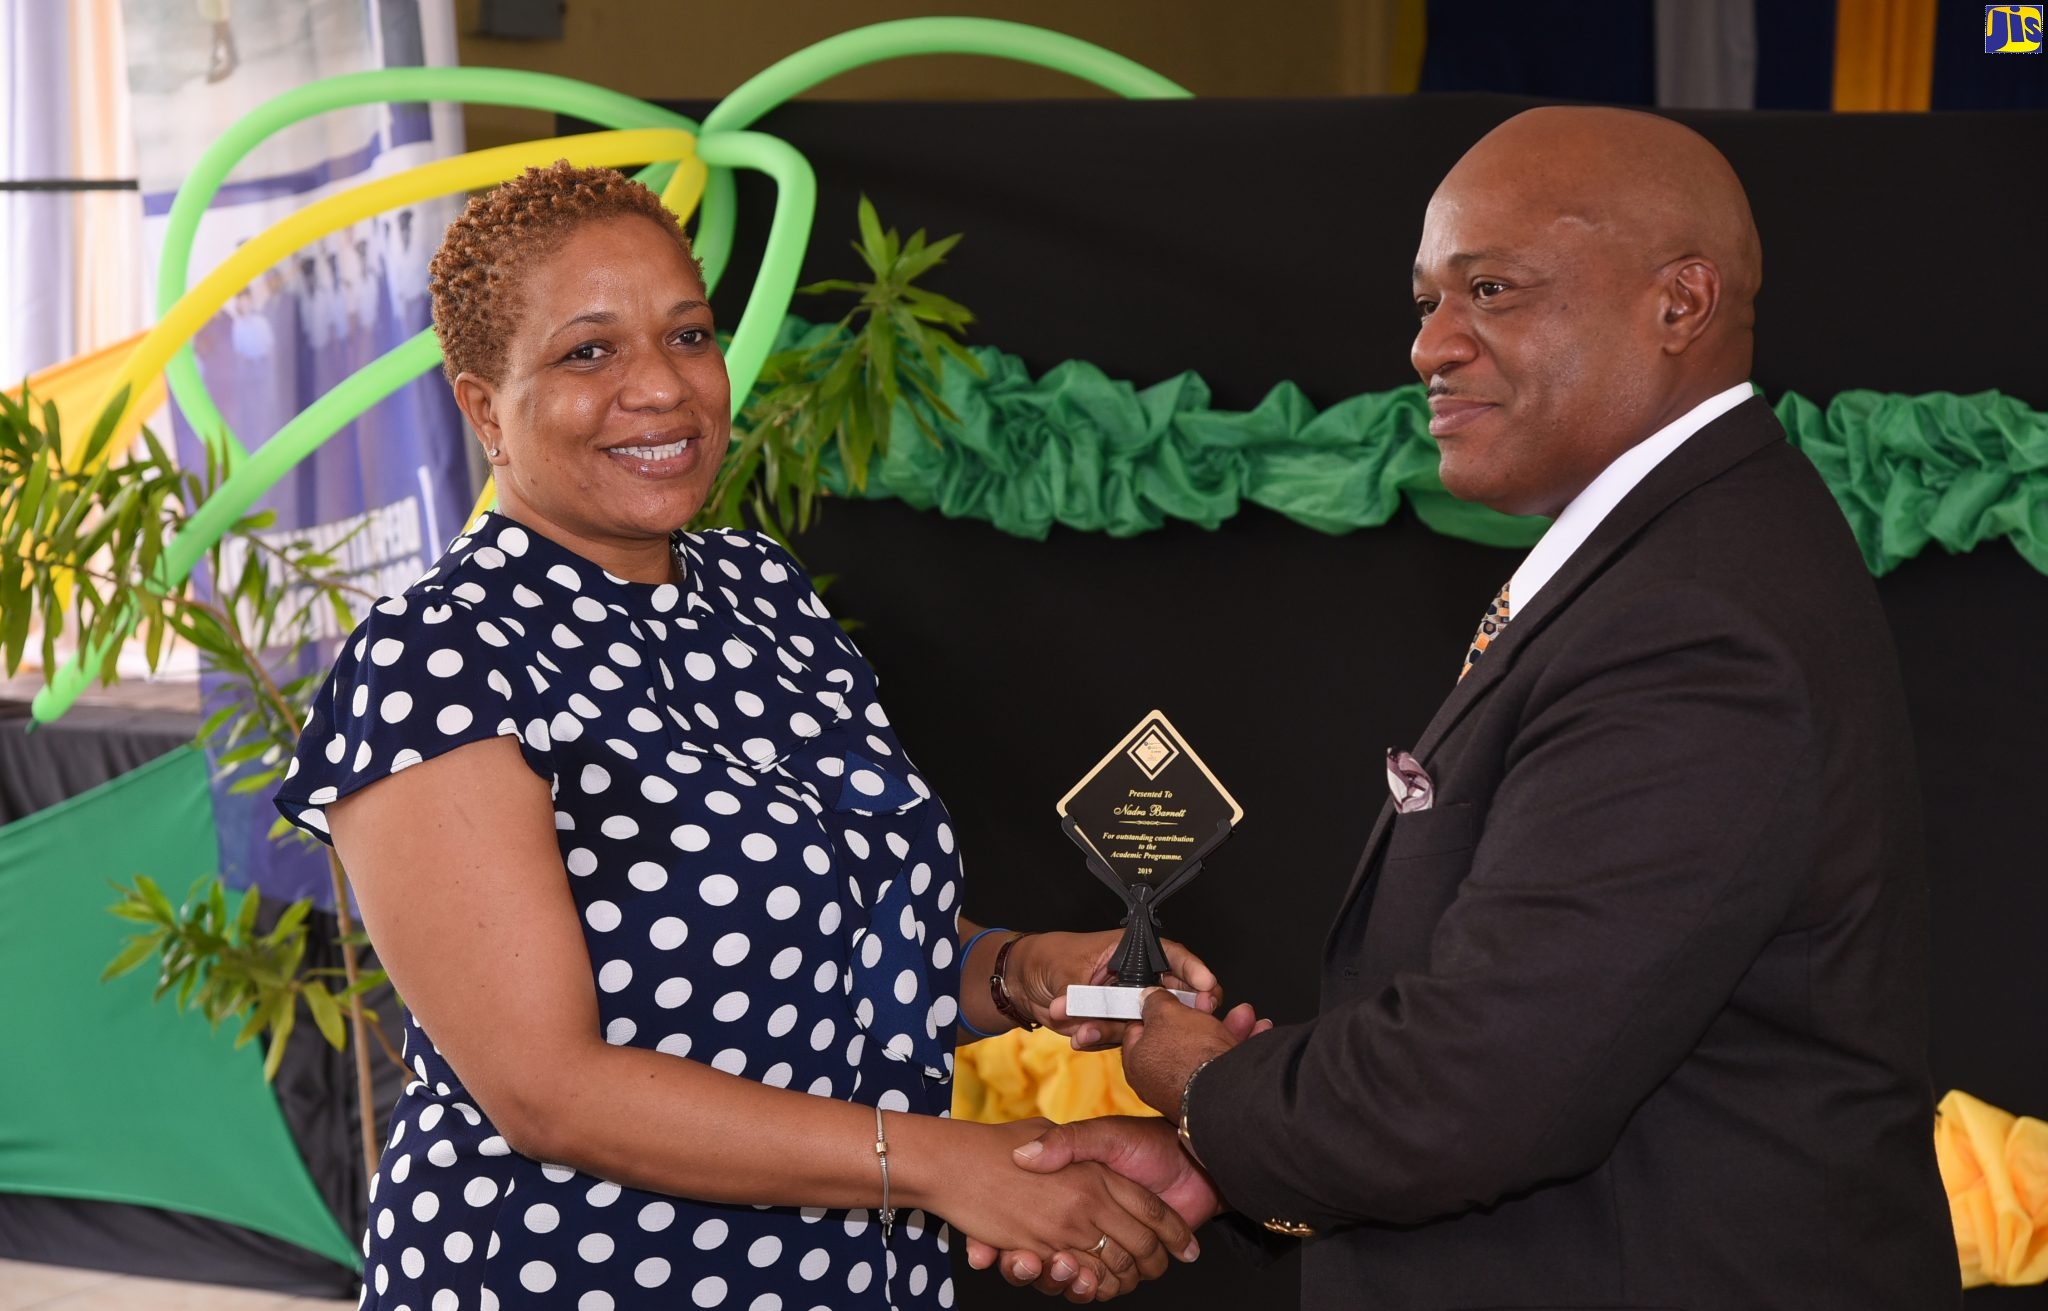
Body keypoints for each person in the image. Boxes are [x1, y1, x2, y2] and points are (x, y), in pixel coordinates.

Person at [982, 106, 1961, 1308]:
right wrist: (1227, 1161)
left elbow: (1470, 1093)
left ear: (1680, 303)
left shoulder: (1691, 618)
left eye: (1490, 289)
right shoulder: (1680, 556)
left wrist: (1197, 1084)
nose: (1429, 347)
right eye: (1425, 302)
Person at [275, 161, 1229, 1311]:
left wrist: (1026, 973)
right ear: (483, 407)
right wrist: (943, 1166)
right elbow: (546, 1092)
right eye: (589, 352)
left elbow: (836, 952)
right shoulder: (438, 658)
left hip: (844, 1274)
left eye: (687, 336)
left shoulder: (760, 590)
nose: (659, 390)